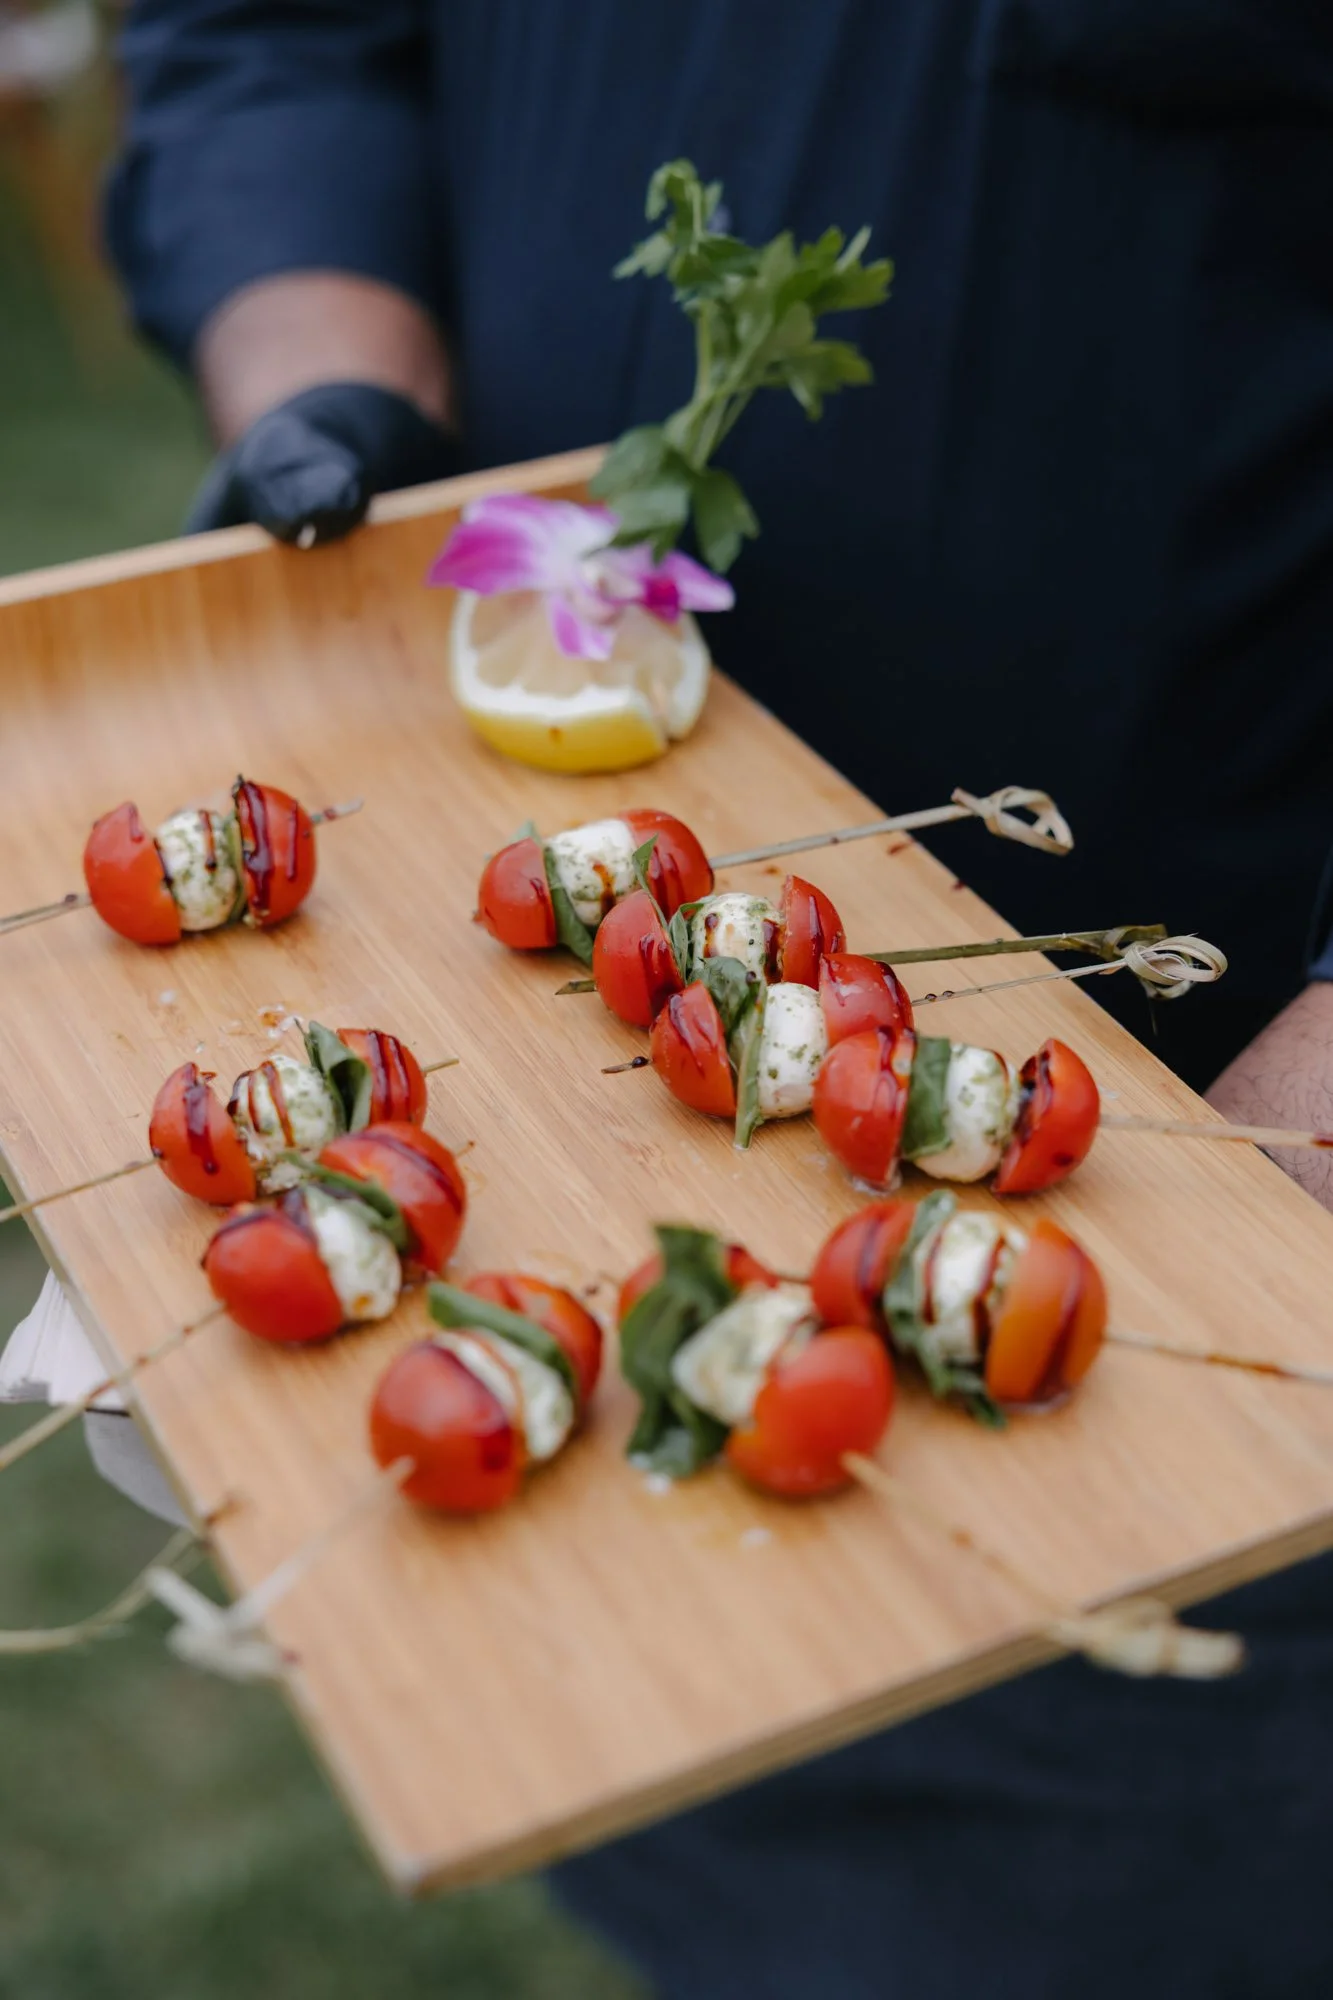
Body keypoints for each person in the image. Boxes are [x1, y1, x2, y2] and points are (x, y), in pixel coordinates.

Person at [97, 5, 1333, 1994]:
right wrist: (332, 376)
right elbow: (274, 33)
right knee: (700, 1818)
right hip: (551, 964)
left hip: (1232, 1239)